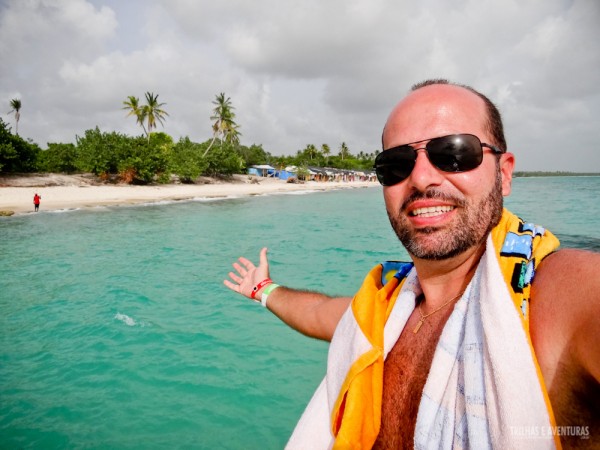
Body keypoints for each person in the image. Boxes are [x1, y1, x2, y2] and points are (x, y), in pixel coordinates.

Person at [224, 80, 599, 449]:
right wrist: (262, 289)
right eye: (397, 163)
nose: (420, 178)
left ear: (503, 173)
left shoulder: (557, 297)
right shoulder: (383, 310)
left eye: (453, 153)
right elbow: (320, 312)